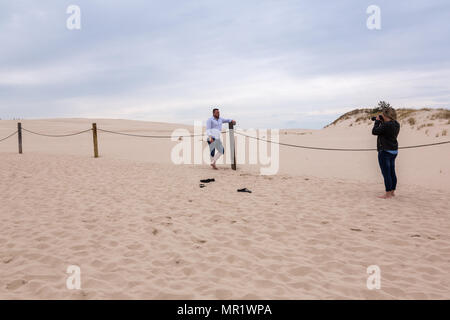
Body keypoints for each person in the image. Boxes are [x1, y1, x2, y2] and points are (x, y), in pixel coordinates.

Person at [372, 106, 400, 199]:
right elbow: (387, 131)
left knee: (386, 173)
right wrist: (381, 121)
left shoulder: (386, 125)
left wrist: (377, 121)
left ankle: (387, 194)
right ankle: (392, 192)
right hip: (394, 150)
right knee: (392, 171)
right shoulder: (396, 124)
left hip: (385, 151)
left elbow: (374, 131)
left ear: (385, 115)